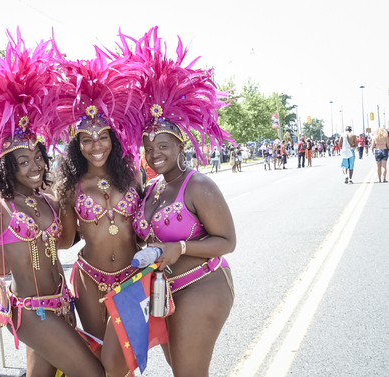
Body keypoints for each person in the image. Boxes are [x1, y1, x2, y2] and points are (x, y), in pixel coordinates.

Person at [0, 31, 106, 377]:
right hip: (32, 312)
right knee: (93, 373)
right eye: (24, 161)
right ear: (6, 166)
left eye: (38, 158)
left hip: (62, 304)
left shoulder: (47, 199)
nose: (36, 166)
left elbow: (65, 240)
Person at [121, 28, 235, 377]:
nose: (156, 154)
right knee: (181, 368)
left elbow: (228, 242)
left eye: (164, 146)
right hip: (163, 291)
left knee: (188, 373)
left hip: (203, 284)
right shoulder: (152, 188)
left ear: (180, 146)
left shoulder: (197, 184)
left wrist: (181, 248)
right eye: (149, 147)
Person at [53, 48, 144, 377]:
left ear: (113, 140)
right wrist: (33, 228)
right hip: (90, 279)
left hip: (134, 277)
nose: (96, 145)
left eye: (103, 137)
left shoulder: (133, 175)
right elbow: (63, 242)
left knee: (124, 359)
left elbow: (147, 225)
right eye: (87, 139)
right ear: (77, 145)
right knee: (100, 358)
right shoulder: (70, 186)